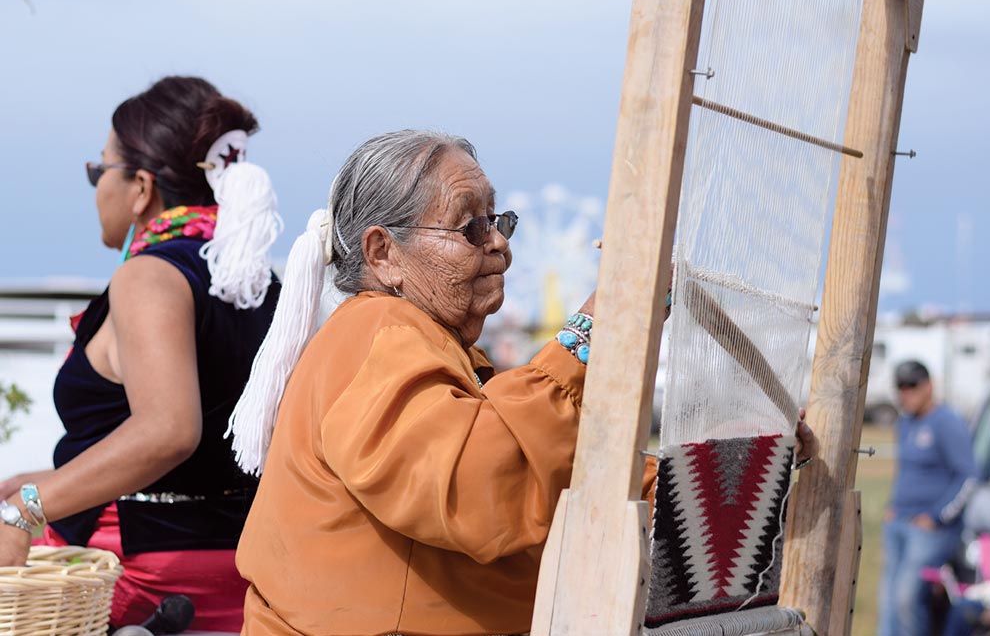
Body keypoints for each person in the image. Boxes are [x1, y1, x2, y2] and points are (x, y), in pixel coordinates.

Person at [231, 130, 819, 636]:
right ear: (384, 253)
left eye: (499, 220)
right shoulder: (377, 329)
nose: (500, 244)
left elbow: (557, 471)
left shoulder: (433, 347)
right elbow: (478, 483)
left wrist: (731, 468)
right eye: (471, 227)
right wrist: (597, 327)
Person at [0, 76, 282, 631]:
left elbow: (169, 432)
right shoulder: (259, 283)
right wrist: (29, 484)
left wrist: (26, 507)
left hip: (141, 581)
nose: (96, 186)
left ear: (140, 187)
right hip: (251, 571)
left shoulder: (150, 277)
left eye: (97, 170)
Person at [877, 359, 978, 636]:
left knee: (906, 599)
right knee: (887, 601)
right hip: (898, 521)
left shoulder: (947, 422)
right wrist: (892, 507)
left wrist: (937, 516)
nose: (905, 393)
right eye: (901, 387)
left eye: (912, 386)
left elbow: (968, 476)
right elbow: (906, 471)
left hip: (930, 529)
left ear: (929, 386)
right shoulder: (906, 423)